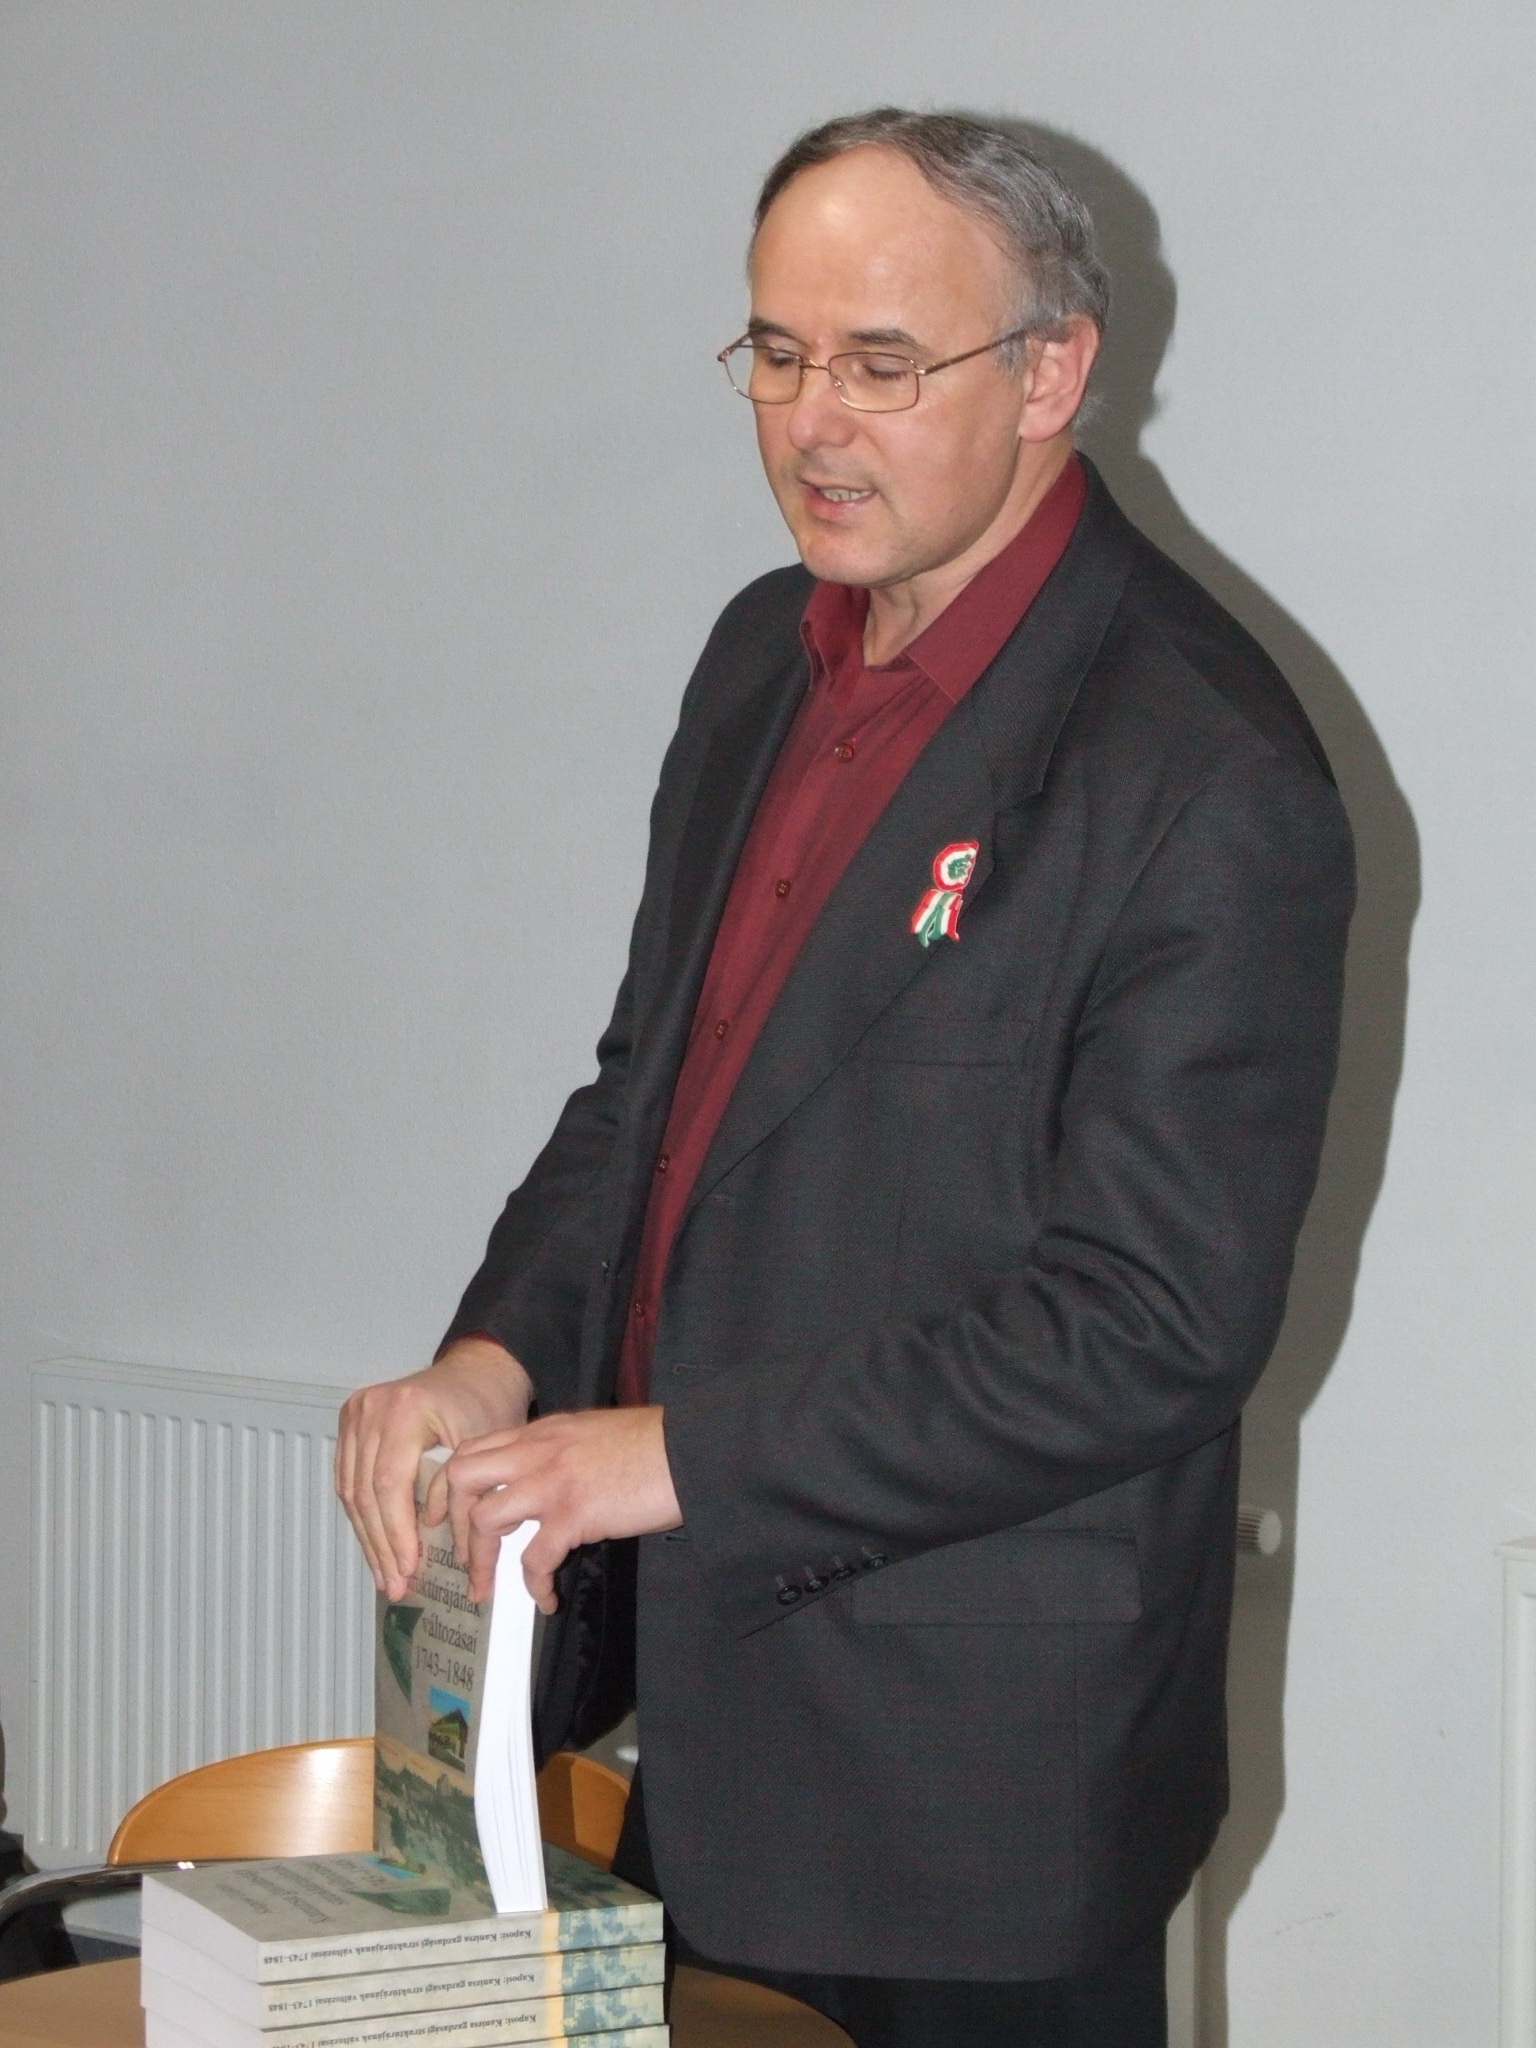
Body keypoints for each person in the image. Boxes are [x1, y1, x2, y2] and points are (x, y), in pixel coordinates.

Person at [335, 108, 1353, 2048]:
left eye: (885, 365)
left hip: (977, 1790)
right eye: (779, 354)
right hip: (717, 1719)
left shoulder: (1204, 768)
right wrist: (495, 1358)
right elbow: (648, 1104)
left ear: (1051, 371)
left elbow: (1150, 1326)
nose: (813, 423)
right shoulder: (758, 659)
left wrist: (673, 1457)